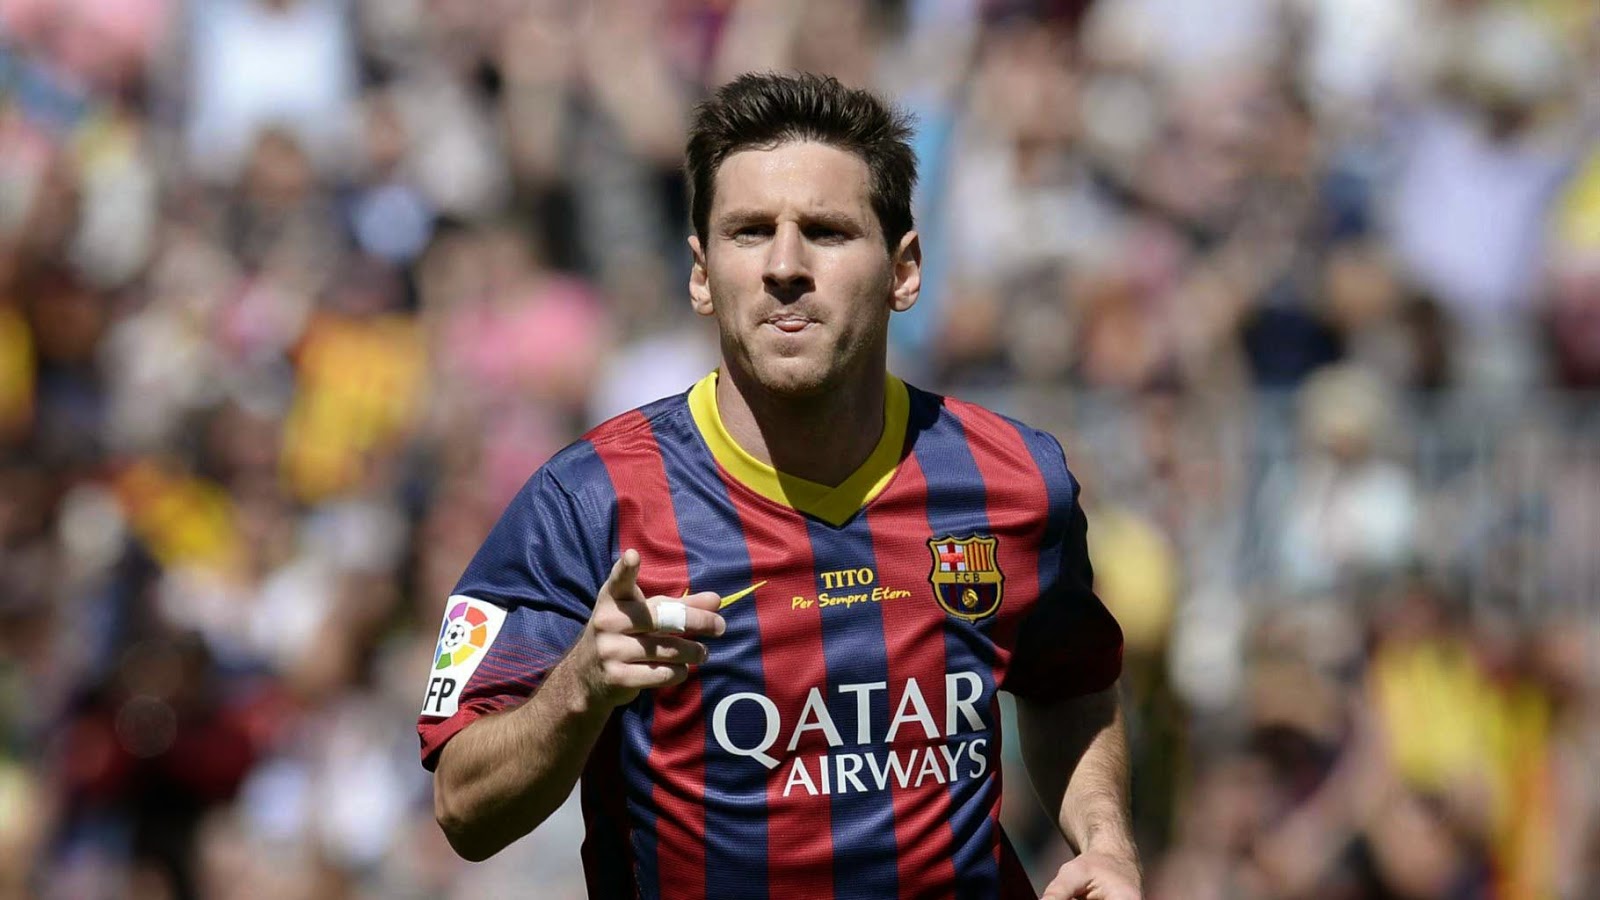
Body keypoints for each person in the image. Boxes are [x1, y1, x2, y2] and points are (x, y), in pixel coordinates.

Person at [418, 71, 1141, 900]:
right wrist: (579, 689)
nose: (785, 267)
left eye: (827, 232)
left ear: (905, 270)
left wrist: (1106, 842)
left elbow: (1073, 684)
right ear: (701, 274)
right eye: (750, 232)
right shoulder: (586, 503)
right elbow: (463, 808)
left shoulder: (1014, 480)